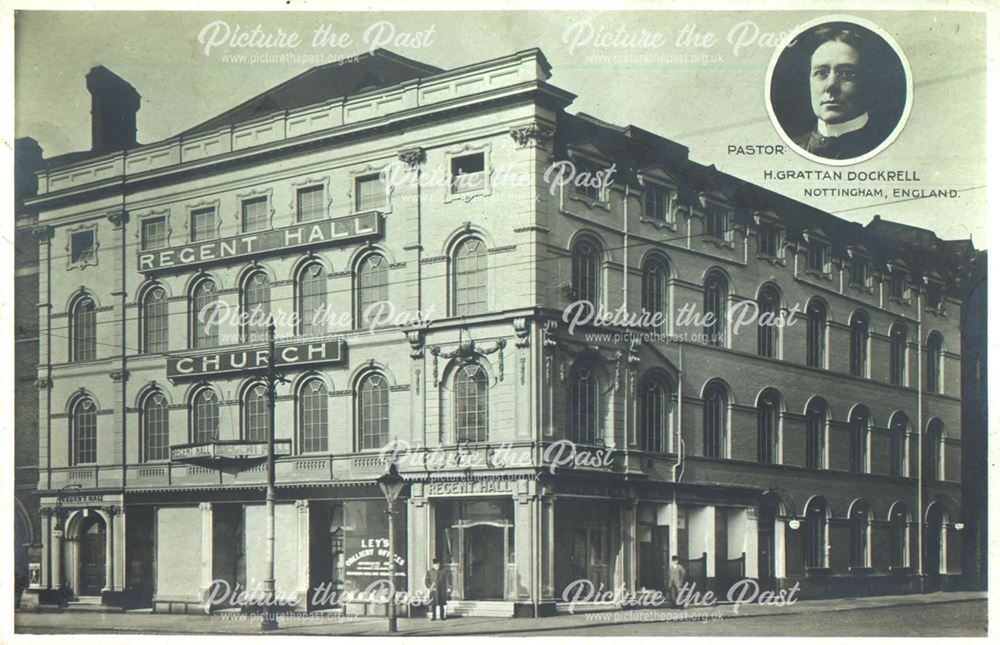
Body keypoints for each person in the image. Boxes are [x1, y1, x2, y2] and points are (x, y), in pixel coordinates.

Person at [793, 28, 881, 160]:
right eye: (821, 73)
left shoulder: (887, 147)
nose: (830, 86)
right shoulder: (791, 148)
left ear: (868, 82)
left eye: (846, 74)